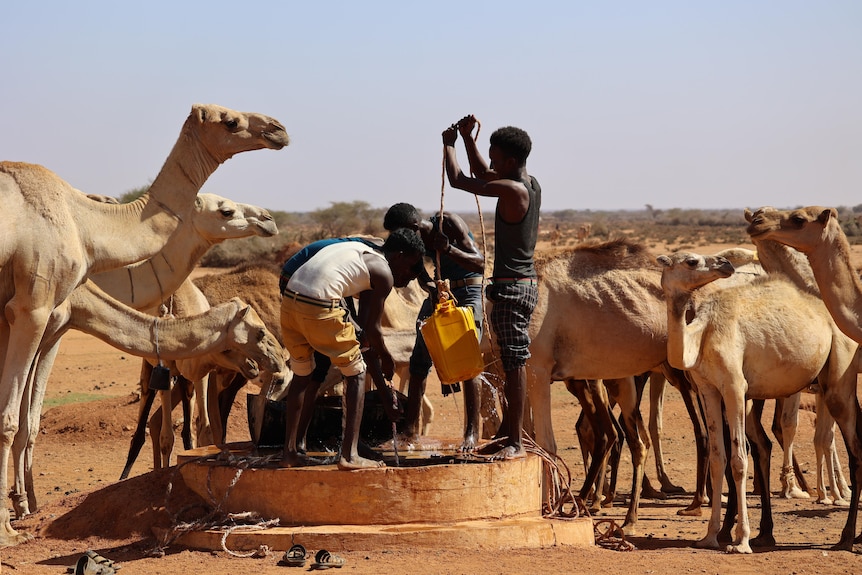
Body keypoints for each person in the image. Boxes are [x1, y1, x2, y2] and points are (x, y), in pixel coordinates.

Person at [278, 229, 425, 470]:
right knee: (356, 373)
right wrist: (387, 360)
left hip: (291, 300)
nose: (406, 280)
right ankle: (350, 455)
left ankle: (289, 453)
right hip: (319, 304)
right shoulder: (384, 273)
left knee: (302, 376)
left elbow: (363, 331)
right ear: (398, 256)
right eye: (411, 268)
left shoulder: (360, 252)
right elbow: (373, 331)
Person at [441, 115, 541, 460]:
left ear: (510, 161)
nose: (491, 162)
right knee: (509, 361)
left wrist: (450, 144)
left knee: (514, 363)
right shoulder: (529, 183)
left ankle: (516, 440)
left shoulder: (512, 190)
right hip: (519, 283)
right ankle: (507, 434)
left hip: (513, 288)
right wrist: (469, 140)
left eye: (495, 156)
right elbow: (483, 175)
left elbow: (459, 180)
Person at [383, 202, 486, 450]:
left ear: (414, 227)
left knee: (468, 361)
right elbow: (420, 270)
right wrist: (431, 287)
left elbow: (479, 263)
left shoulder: (447, 222)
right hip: (439, 294)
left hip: (468, 290)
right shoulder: (415, 241)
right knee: (418, 361)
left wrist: (447, 249)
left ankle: (471, 434)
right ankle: (410, 432)